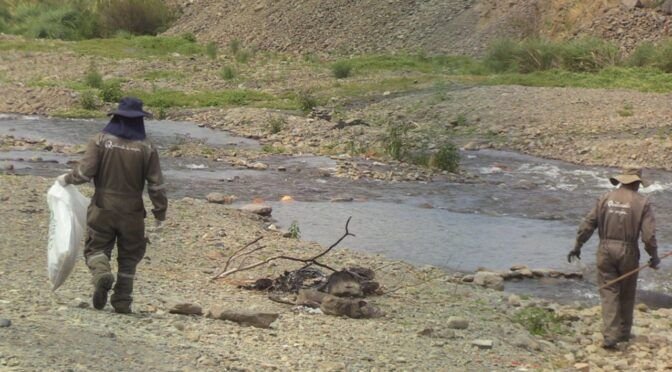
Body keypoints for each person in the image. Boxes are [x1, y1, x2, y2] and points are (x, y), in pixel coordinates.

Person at [57, 97, 167, 313]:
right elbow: (156, 185)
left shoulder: (100, 141)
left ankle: (101, 274)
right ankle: (123, 301)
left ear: (116, 117)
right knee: (129, 256)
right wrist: (160, 213)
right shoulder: (147, 148)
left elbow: (84, 173)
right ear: (140, 120)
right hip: (133, 211)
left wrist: (66, 179)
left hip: (102, 207)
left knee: (96, 247)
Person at [567, 167, 660, 349]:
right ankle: (623, 333)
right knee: (626, 291)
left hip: (605, 249)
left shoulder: (604, 198)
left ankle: (610, 335)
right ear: (636, 183)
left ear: (621, 180)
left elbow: (588, 224)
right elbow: (648, 236)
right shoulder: (642, 203)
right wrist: (654, 256)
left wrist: (578, 246)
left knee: (609, 291)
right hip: (628, 251)